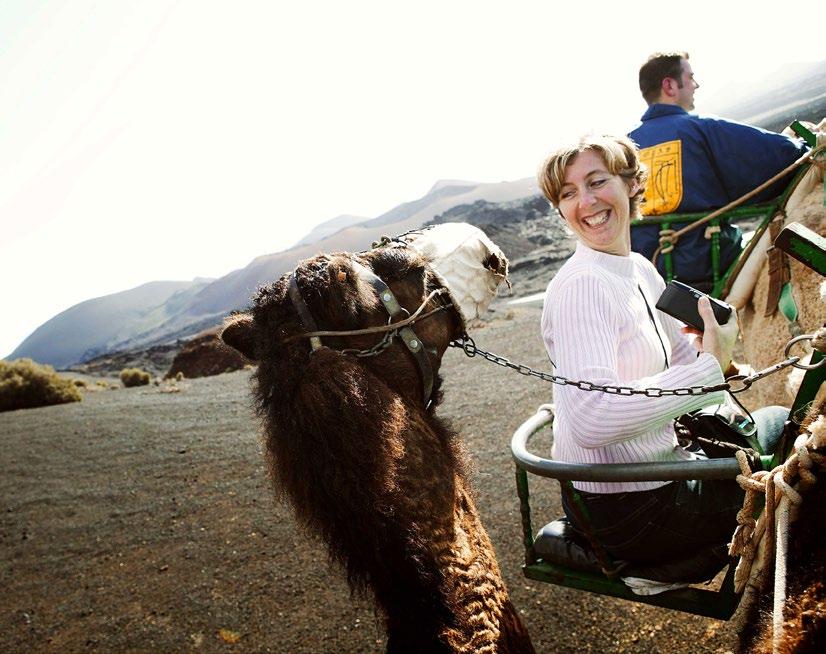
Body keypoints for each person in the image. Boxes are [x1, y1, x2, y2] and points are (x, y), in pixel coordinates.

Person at [537, 134, 787, 565]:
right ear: (560, 209)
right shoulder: (582, 286)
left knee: (771, 428)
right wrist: (709, 369)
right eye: (569, 193)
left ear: (631, 183)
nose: (587, 202)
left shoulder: (638, 268)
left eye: (597, 182)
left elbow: (678, 351)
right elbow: (592, 421)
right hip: (633, 508)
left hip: (655, 474)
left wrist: (717, 365)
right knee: (782, 426)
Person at [628, 52, 808, 291]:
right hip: (708, 264)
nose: (696, 85)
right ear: (669, 85)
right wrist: (800, 143)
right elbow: (783, 157)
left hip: (648, 273)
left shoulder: (625, 148)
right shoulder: (702, 129)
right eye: (690, 77)